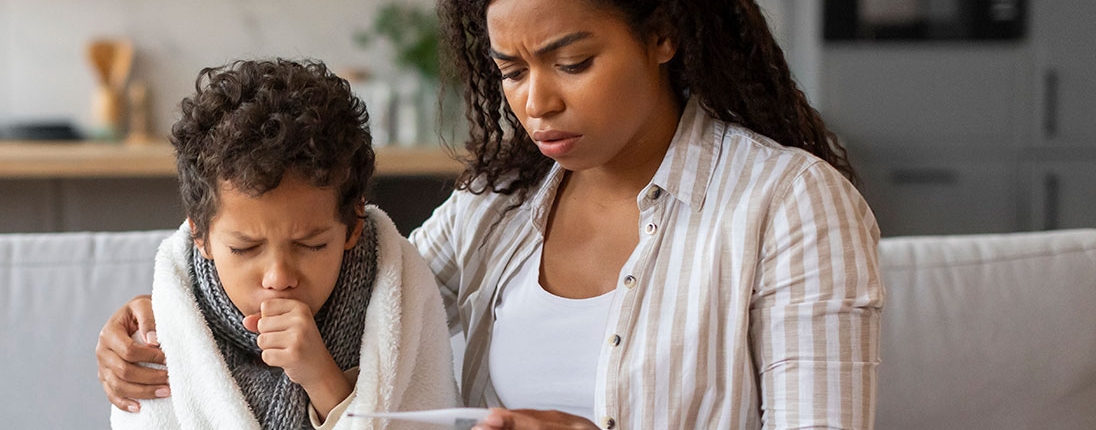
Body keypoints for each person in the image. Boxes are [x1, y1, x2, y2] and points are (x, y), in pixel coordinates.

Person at [97, 0, 885, 428]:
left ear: (664, 31)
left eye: (572, 62)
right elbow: (342, 271)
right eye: (510, 70)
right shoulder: (497, 208)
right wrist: (173, 304)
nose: (535, 102)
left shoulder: (788, 204)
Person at [106, 58, 456, 430]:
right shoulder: (168, 329)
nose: (278, 277)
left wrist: (323, 380)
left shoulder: (396, 294)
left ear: (352, 226)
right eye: (244, 249)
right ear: (201, 237)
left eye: (311, 245)